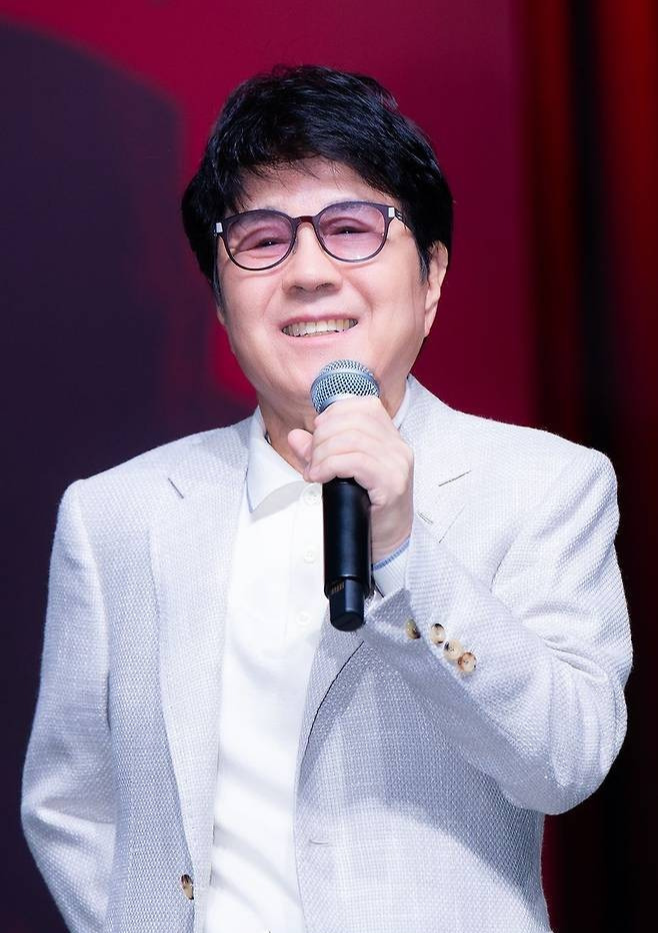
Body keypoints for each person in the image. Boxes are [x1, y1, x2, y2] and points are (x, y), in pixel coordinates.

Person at [22, 65, 632, 933]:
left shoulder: (545, 485)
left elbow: (565, 760)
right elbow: (69, 803)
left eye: (351, 228)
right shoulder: (117, 514)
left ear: (431, 278)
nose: (308, 271)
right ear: (220, 300)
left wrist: (405, 553)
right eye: (263, 239)